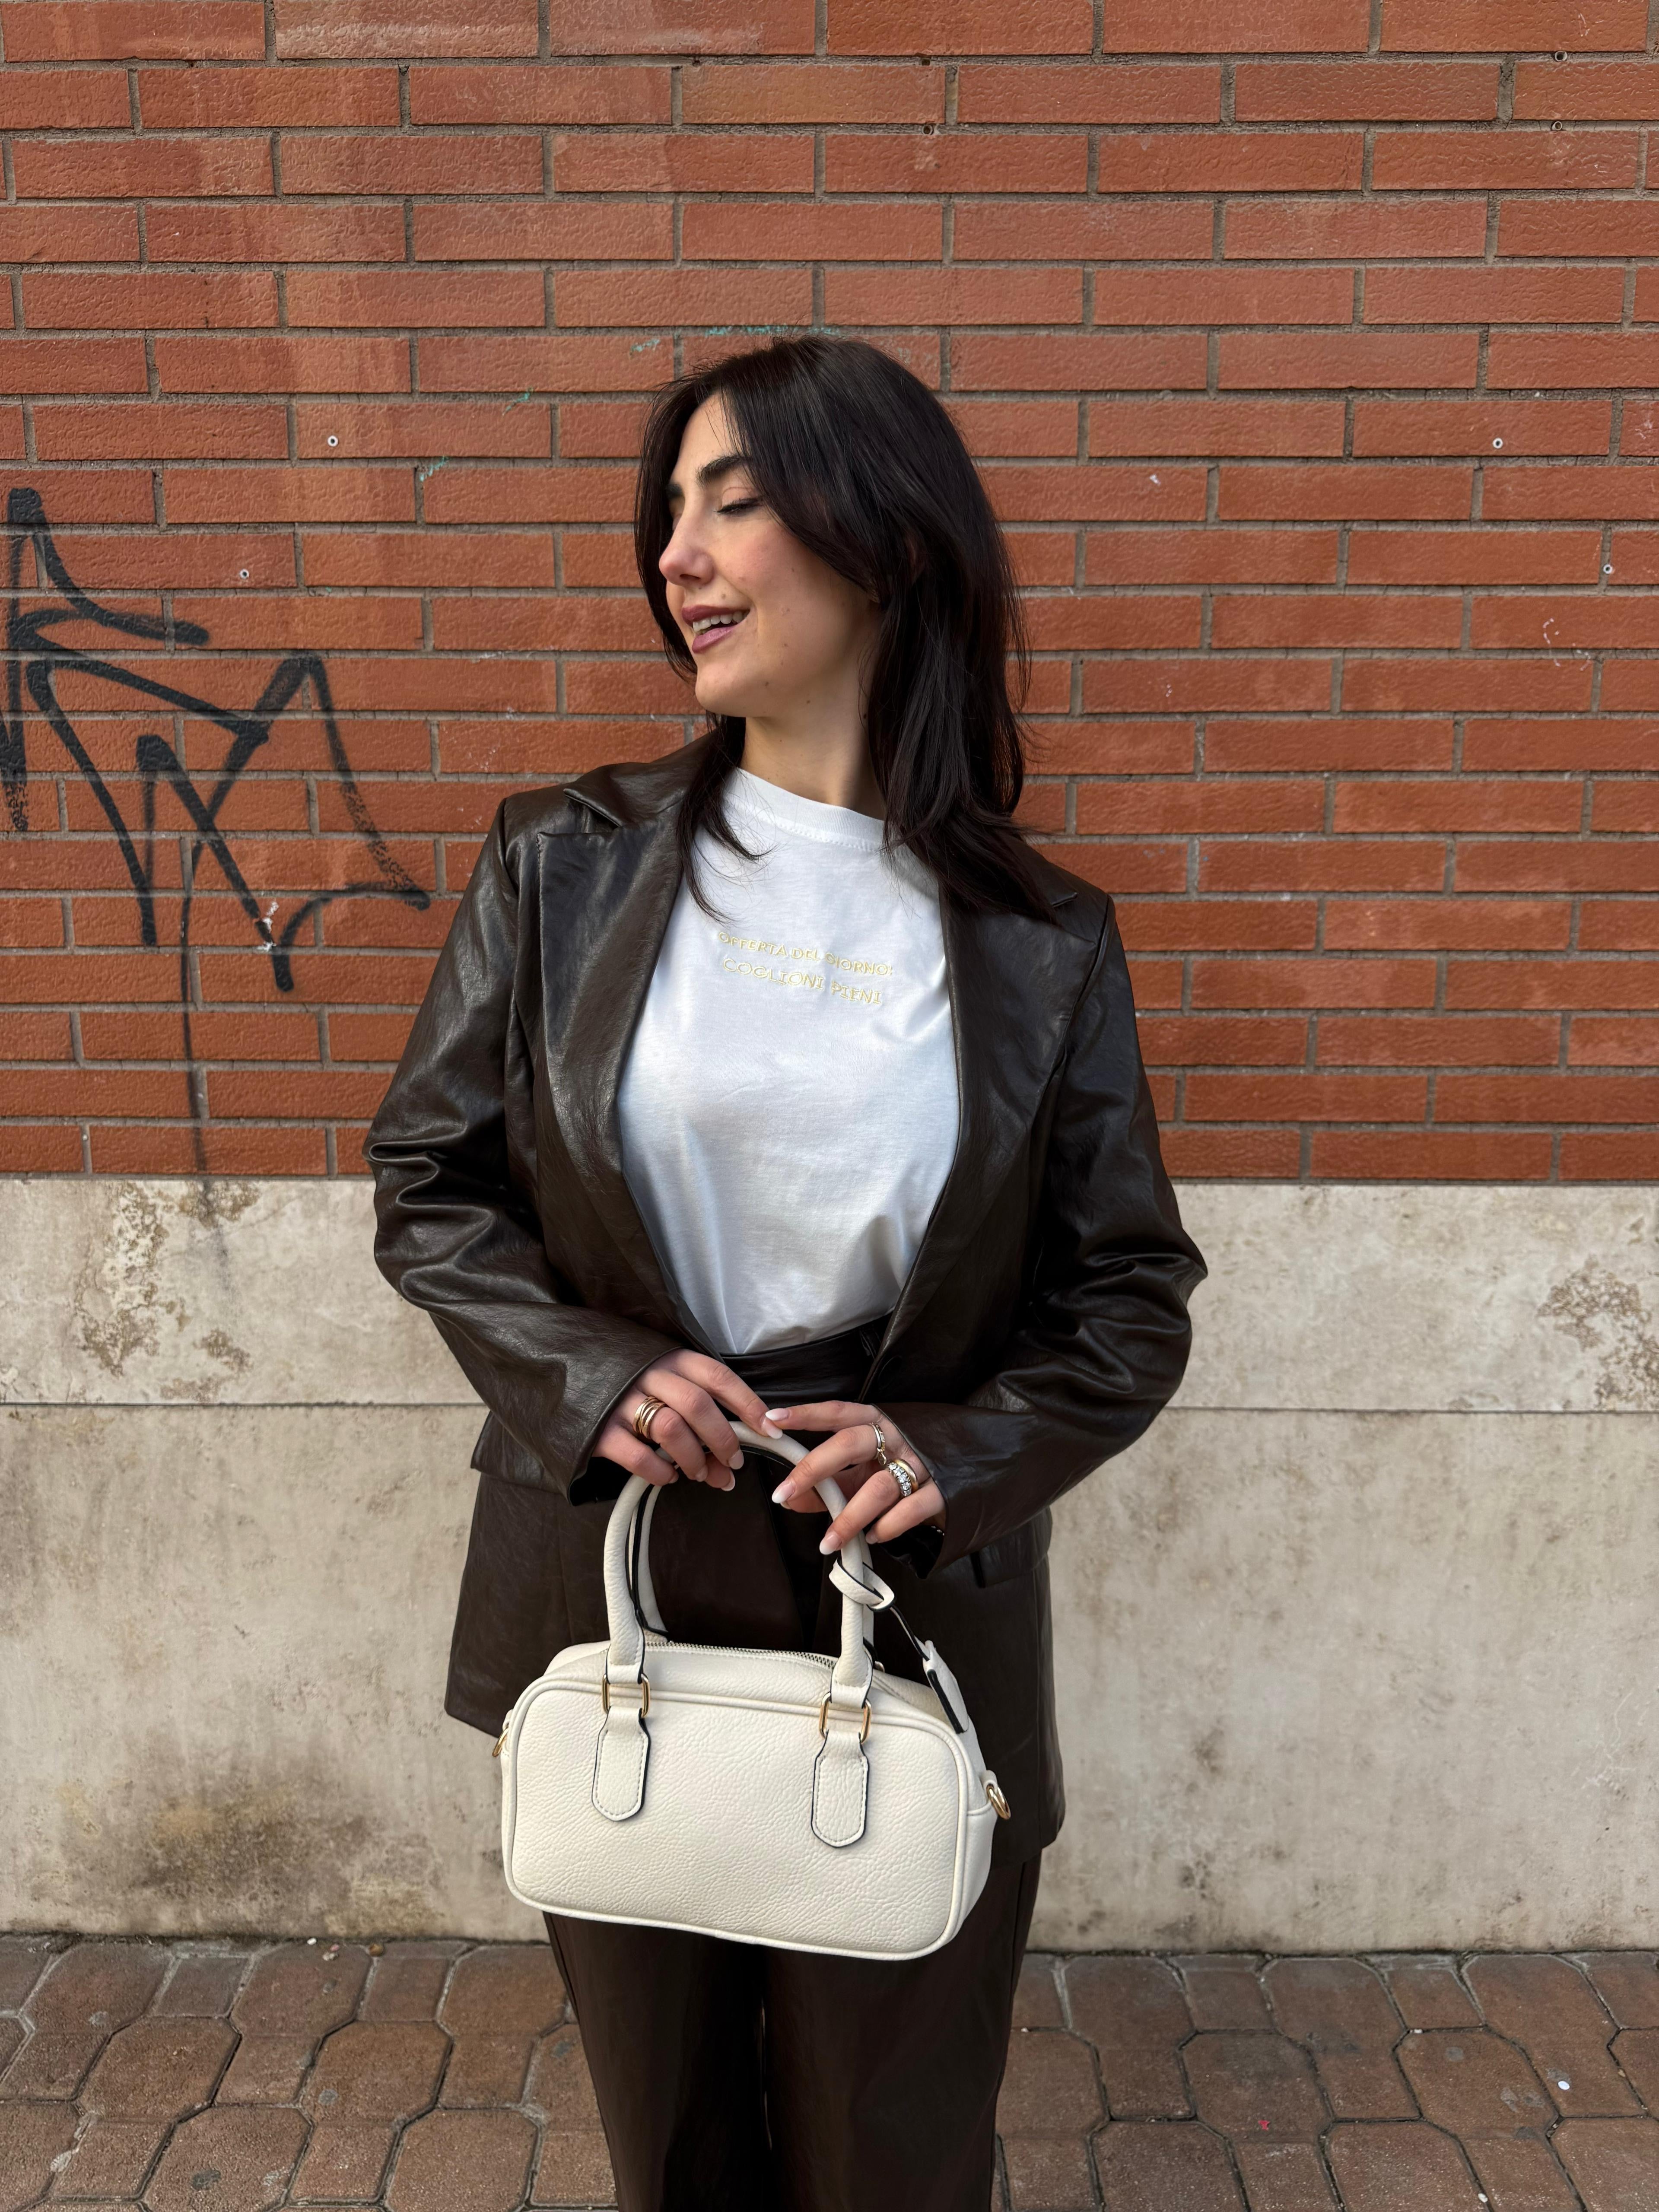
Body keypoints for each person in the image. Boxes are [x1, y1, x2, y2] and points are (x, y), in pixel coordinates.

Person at [365, 333, 1205, 2212]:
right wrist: (588, 1371)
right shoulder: (563, 863)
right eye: (671, 510)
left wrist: (957, 1449)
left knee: (895, 2142)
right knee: (672, 2138)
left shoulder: (1043, 940)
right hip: (625, 1564)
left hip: (907, 1588)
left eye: (734, 503)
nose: (677, 552)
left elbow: (1128, 1294)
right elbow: (432, 1180)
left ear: (886, 545)